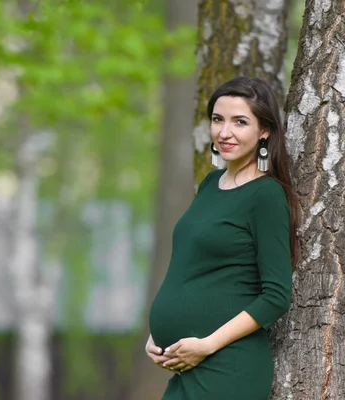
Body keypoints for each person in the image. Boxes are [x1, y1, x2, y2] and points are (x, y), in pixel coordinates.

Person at [145, 76, 300, 399]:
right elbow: (191, 269)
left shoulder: (266, 195)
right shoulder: (210, 184)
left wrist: (206, 346)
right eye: (218, 119)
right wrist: (156, 334)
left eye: (239, 122)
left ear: (264, 131)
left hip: (226, 368)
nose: (224, 132)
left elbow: (276, 295)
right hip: (186, 365)